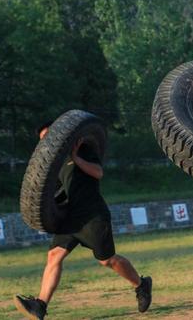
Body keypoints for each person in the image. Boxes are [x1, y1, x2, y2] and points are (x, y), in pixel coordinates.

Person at [13, 122, 152, 319]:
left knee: (107, 260)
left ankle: (141, 284)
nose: (48, 142)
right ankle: (40, 305)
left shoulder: (83, 148)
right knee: (54, 256)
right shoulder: (53, 165)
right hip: (69, 217)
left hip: (92, 215)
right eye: (43, 140)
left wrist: (75, 157)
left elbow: (98, 172)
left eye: (49, 136)